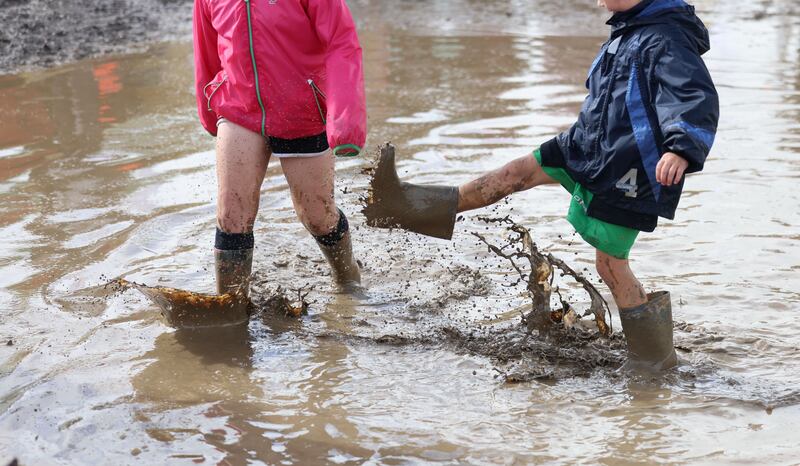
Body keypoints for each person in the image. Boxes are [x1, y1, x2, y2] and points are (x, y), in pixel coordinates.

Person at [364, 0, 719, 370]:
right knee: (513, 174)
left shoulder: (667, 38)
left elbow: (693, 96)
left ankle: (654, 364)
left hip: (628, 169)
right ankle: (405, 206)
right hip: (587, 146)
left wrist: (681, 148)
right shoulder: (628, 30)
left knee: (610, 265)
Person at [192, 0, 366, 308]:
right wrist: (208, 115)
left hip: (301, 108)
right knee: (231, 214)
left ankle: (347, 280)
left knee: (318, 216)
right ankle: (229, 309)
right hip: (239, 107)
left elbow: (341, 41)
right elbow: (205, 50)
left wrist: (345, 121)